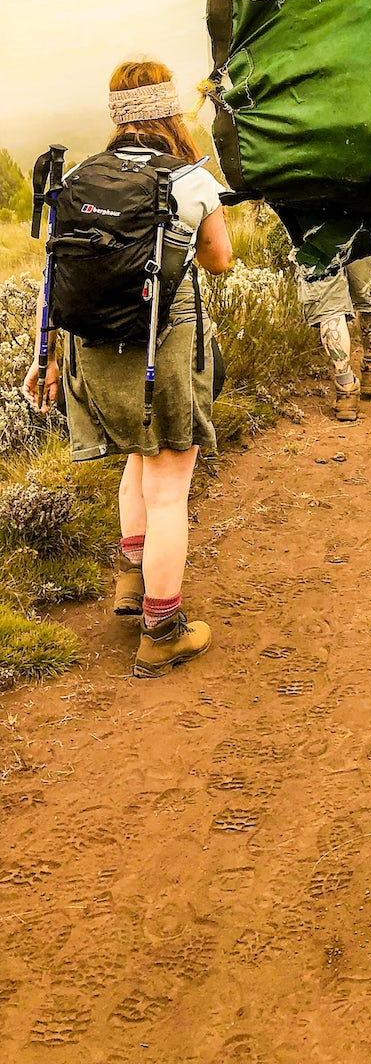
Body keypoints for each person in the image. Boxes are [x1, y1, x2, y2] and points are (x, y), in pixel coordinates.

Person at [22, 60, 234, 678]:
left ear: (117, 116)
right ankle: (161, 628)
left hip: (89, 348)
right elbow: (219, 260)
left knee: (137, 465)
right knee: (169, 486)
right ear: (169, 110)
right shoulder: (189, 179)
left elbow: (54, 273)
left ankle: (130, 581)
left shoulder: (84, 175)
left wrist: (46, 358)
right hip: (161, 346)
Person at [296, 250, 371, 421]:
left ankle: (346, 389)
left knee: (329, 310)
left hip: (313, 237)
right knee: (368, 296)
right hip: (358, 229)